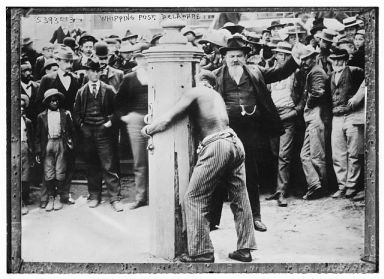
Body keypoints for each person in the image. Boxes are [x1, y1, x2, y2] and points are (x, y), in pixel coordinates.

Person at [142, 70, 257, 263]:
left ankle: (202, 252)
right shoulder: (217, 96)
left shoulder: (195, 91)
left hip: (216, 145)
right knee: (240, 198)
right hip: (235, 142)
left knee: (194, 197)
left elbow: (168, 118)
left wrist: (148, 129)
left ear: (199, 81)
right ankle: (245, 249)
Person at [211, 35, 302, 232]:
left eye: (239, 55)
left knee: (251, 175)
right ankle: (212, 220)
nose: (235, 59)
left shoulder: (256, 71)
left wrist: (295, 59)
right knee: (219, 171)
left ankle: (256, 218)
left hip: (251, 131)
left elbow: (279, 73)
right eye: (231, 55)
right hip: (224, 130)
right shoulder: (215, 75)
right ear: (225, 57)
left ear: (245, 57)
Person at [73, 59, 123, 212]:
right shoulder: (81, 91)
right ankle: (94, 195)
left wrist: (109, 123)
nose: (95, 74)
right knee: (92, 164)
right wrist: (82, 126)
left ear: (101, 72)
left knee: (108, 164)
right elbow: (76, 113)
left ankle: (115, 198)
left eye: (97, 71)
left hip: (103, 132)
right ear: (87, 72)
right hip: (88, 133)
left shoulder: (108, 89)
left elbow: (119, 109)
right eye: (91, 71)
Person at [37, 46, 81, 207]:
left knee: (68, 161)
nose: (69, 64)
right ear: (58, 61)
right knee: (49, 162)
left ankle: (64, 193)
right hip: (51, 127)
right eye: (66, 61)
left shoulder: (76, 78)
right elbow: (39, 105)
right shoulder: (48, 79)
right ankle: (48, 196)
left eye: (71, 61)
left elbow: (77, 103)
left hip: (69, 128)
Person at [266, 42, 305, 207]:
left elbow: (304, 95)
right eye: (279, 54)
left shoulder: (296, 73)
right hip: (273, 116)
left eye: (285, 54)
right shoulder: (271, 73)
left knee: (284, 154)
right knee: (274, 152)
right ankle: (277, 188)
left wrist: (296, 111)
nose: (281, 57)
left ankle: (282, 190)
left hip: (288, 115)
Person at [113, 45, 149, 210]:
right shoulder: (129, 78)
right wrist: (125, 117)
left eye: (146, 57)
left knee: (159, 159)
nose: (144, 60)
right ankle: (141, 198)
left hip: (155, 120)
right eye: (140, 57)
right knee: (139, 160)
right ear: (136, 59)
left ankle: (159, 196)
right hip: (135, 121)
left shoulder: (158, 76)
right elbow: (118, 102)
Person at [328, 48, 365, 199]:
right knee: (338, 154)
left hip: (352, 115)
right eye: (334, 59)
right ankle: (342, 186)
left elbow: (370, 78)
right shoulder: (330, 76)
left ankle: (352, 186)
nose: (337, 62)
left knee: (354, 153)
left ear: (345, 59)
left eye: (340, 59)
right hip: (336, 116)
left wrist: (357, 97)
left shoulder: (355, 71)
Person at [35, 89, 75, 212]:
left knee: (60, 171)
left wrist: (70, 143)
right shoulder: (41, 116)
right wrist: (38, 151)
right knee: (49, 172)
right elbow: (37, 135)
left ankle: (58, 197)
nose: (55, 102)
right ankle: (50, 197)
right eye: (52, 100)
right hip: (47, 144)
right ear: (47, 102)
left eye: (56, 99)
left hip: (60, 143)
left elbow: (71, 131)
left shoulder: (65, 114)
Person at [299, 45, 330, 200]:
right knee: (304, 155)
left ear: (314, 58)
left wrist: (309, 104)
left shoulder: (316, 71)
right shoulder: (313, 71)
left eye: (307, 59)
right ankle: (315, 184)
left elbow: (318, 92)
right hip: (312, 116)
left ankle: (321, 187)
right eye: (303, 59)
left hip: (317, 115)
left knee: (317, 155)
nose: (304, 62)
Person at [21, 94, 34, 215]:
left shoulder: (27, 121)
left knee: (25, 175)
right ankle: (19, 202)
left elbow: (31, 138)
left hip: (25, 147)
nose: (21, 109)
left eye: (23, 107)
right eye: (18, 106)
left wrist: (32, 151)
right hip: (14, 147)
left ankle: (24, 197)